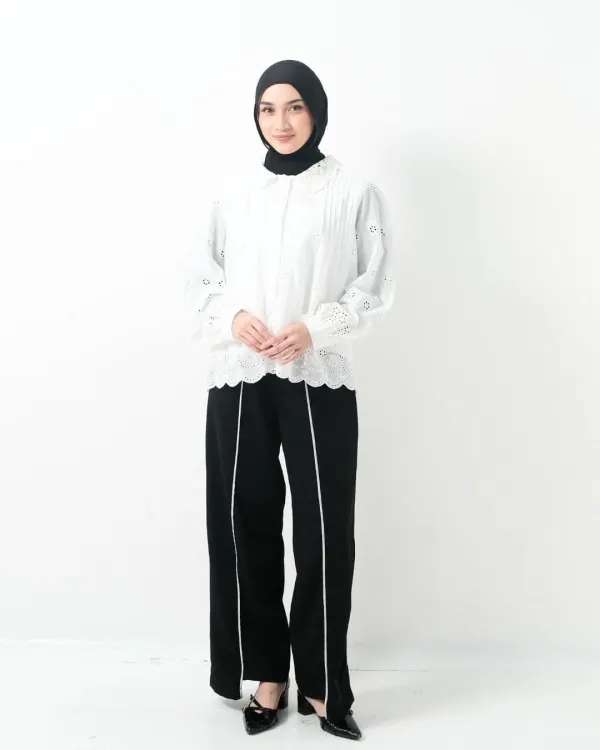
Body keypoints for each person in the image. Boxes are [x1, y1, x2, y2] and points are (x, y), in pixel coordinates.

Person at [183, 59, 396, 740]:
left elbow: (373, 284)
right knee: (243, 526)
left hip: (316, 375)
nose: (281, 121)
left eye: (295, 106)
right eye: (268, 108)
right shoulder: (233, 195)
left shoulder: (352, 191)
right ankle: (267, 674)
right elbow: (200, 278)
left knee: (325, 530)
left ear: (317, 112)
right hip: (241, 376)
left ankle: (325, 686)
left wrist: (315, 327)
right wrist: (234, 317)